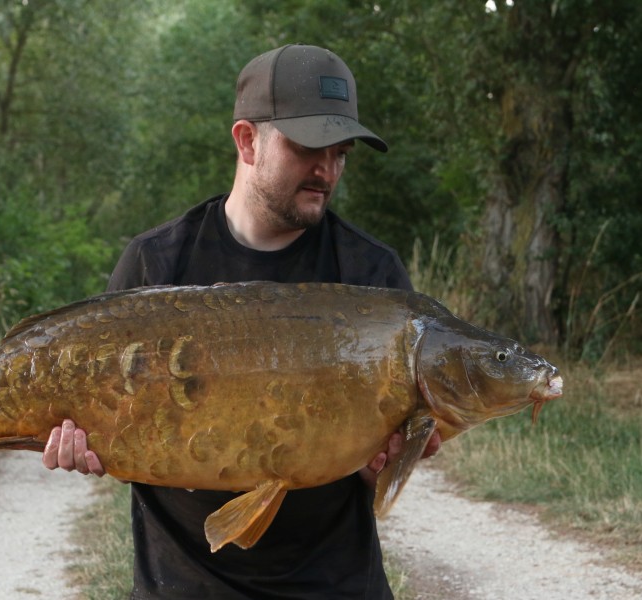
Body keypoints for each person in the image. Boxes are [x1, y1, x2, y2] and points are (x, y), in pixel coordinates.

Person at [42, 44, 441, 599]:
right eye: (308, 148)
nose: (326, 170)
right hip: (180, 583)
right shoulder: (158, 262)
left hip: (335, 584)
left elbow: (375, 479)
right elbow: (120, 429)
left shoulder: (371, 276)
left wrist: (389, 458)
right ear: (247, 140)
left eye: (341, 152)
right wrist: (85, 444)